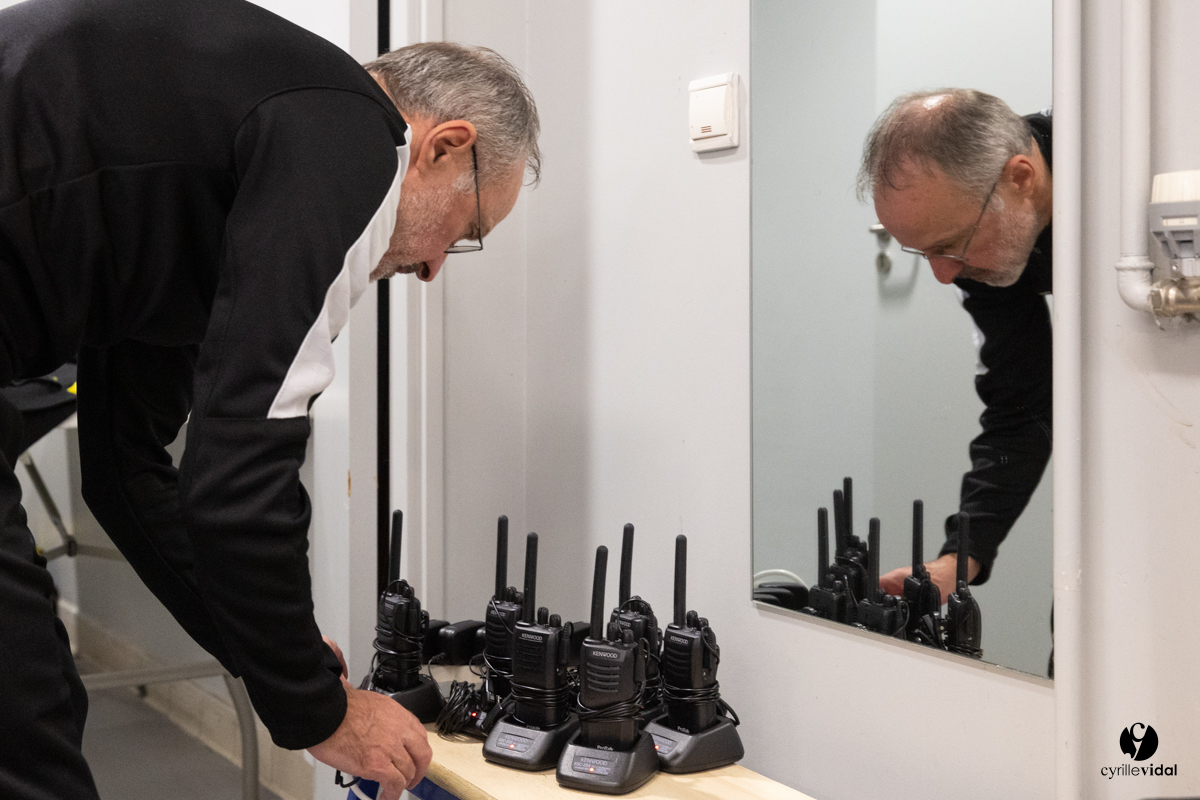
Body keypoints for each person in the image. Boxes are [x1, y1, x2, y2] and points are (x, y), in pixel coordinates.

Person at [0, 1, 540, 798]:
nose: (432, 271)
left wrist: (271, 654)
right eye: (466, 231)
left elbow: (128, 468)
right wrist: (323, 712)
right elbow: (242, 469)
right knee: (24, 726)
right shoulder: (355, 136)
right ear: (441, 146)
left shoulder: (205, 189)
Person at [855, 89, 1053, 602]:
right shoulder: (989, 250)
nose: (944, 275)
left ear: (1021, 178)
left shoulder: (1123, 176)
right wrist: (958, 558)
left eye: (951, 245)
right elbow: (1021, 408)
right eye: (924, 254)